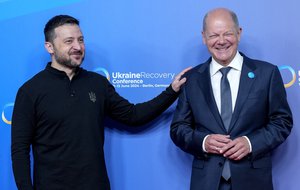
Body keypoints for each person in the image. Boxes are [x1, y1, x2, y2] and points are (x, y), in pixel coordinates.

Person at [11, 15, 190, 190]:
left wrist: (172, 91)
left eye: (81, 40)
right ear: (49, 47)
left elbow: (134, 115)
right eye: (69, 41)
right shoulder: (30, 91)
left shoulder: (97, 83)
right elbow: (20, 149)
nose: (78, 46)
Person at [170, 8, 292, 190]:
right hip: (206, 182)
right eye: (213, 35)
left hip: (253, 180)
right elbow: (178, 129)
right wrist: (204, 141)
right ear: (204, 37)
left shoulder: (267, 74)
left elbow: (282, 122)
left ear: (239, 33)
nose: (221, 41)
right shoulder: (192, 79)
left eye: (227, 33)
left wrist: (251, 143)